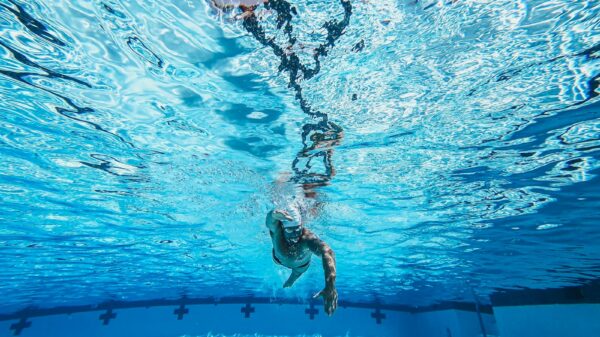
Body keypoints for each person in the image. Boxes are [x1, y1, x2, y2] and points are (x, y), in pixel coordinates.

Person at [266, 201, 338, 316]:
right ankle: (291, 280)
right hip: (279, 259)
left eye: (297, 229)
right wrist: (273, 214)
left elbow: (328, 252)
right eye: (290, 230)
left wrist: (330, 286)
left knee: (297, 272)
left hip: (300, 266)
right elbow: (270, 221)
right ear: (283, 228)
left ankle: (291, 280)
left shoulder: (307, 238)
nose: (295, 234)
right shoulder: (277, 231)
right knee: (291, 268)